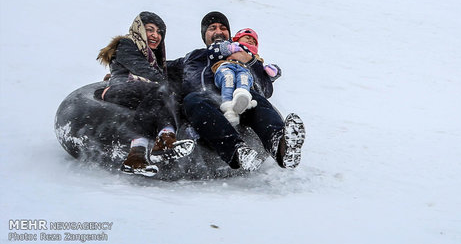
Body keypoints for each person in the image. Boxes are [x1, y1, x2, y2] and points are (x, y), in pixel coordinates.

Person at [168, 11, 305, 172]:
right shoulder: (192, 57)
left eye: (223, 28)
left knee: (255, 99)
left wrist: (251, 62)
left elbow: (266, 90)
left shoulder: (240, 56)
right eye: (212, 28)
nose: (219, 31)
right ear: (204, 34)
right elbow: (158, 70)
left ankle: (280, 146)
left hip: (240, 106)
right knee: (192, 100)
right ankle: (238, 151)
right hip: (203, 111)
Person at [97, 12, 195, 176]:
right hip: (120, 88)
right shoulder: (126, 44)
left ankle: (136, 157)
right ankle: (164, 141)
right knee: (163, 90)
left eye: (159, 32)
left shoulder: (153, 59)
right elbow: (145, 71)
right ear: (139, 29)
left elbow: (164, 71)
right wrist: (168, 85)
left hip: (143, 93)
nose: (155, 35)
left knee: (161, 99)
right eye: (150, 30)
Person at [209, 28, 281, 125]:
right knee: (228, 78)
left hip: (243, 70)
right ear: (237, 38)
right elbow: (213, 51)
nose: (251, 41)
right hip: (227, 66)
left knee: (244, 78)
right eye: (247, 38)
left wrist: (271, 71)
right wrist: (228, 48)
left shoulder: (255, 57)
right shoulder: (229, 44)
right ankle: (228, 108)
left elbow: (262, 76)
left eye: (254, 41)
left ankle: (242, 97)